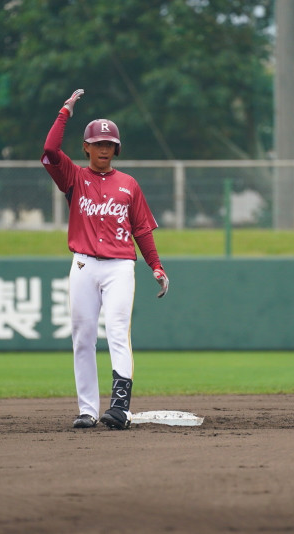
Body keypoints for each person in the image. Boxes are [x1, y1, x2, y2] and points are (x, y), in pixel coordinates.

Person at [41, 89, 169, 430]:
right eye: (97, 143)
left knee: (116, 331)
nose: (103, 149)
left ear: (116, 149)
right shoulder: (73, 177)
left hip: (119, 266)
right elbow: (50, 150)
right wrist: (65, 111)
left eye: (108, 144)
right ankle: (87, 410)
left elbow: (142, 229)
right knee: (82, 336)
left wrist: (155, 265)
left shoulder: (128, 184)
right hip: (83, 264)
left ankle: (120, 409)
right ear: (86, 147)